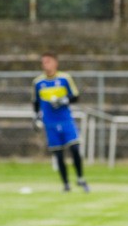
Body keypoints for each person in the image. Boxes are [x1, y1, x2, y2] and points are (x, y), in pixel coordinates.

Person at [32, 52, 89, 192]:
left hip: (66, 121)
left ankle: (80, 178)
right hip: (50, 123)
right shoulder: (38, 82)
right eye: (43, 62)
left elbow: (75, 96)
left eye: (48, 62)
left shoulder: (65, 78)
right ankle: (66, 184)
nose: (45, 65)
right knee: (58, 154)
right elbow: (36, 103)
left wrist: (64, 100)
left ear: (55, 63)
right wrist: (37, 117)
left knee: (75, 148)